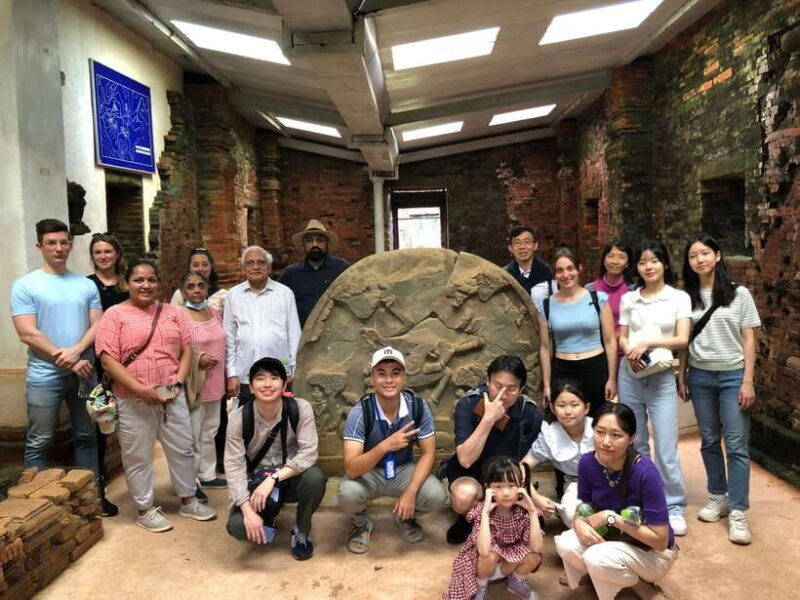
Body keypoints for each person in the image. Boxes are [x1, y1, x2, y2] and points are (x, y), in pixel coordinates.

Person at [95, 258, 217, 532]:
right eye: (138, 280)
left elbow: (186, 349)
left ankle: (188, 500)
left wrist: (179, 381)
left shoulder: (173, 312)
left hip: (171, 395)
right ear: (126, 283)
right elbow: (107, 359)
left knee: (183, 449)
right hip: (133, 398)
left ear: (159, 284)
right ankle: (145, 508)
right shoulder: (114, 315)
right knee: (138, 456)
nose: (145, 285)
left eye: (151, 280)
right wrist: (140, 389)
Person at [678, 233, 761, 545]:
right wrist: (682, 374)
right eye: (693, 256)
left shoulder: (739, 294)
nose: (699, 260)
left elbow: (750, 338)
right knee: (710, 440)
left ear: (718, 255)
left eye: (705, 253)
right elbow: (685, 340)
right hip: (700, 376)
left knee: (736, 443)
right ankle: (718, 496)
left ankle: (739, 510)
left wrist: (748, 380)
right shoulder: (686, 297)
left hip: (732, 375)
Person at [555, 403, 678, 600]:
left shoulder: (646, 472)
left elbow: (660, 541)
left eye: (616, 435)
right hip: (611, 539)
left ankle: (640, 586)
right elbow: (583, 507)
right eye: (600, 432)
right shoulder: (587, 462)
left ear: (631, 438)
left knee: (596, 558)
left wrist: (610, 518)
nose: (606, 442)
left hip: (651, 551)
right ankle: (599, 572)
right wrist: (579, 522)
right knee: (566, 543)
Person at [10, 219, 100, 478]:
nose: (59, 248)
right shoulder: (25, 285)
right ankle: (34, 495)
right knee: (40, 440)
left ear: (70, 245)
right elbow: (27, 333)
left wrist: (78, 350)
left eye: (64, 242)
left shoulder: (86, 285)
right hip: (45, 374)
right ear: (39, 246)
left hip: (84, 372)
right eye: (51, 243)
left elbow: (98, 324)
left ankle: (91, 493)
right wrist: (71, 358)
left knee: (87, 435)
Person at [338, 347, 448, 554]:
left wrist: (411, 492)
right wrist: (385, 446)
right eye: (381, 373)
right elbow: (352, 469)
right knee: (347, 492)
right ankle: (362, 524)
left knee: (436, 495)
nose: (389, 380)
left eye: (395, 373)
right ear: (372, 378)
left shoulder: (417, 407)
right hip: (369, 473)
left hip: (403, 469)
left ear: (404, 378)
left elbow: (429, 453)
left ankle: (406, 516)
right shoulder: (360, 412)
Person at [618, 240, 690, 535]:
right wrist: (630, 351)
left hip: (660, 376)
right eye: (642, 262)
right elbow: (622, 336)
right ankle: (644, 500)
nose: (648, 266)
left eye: (654, 261)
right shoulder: (629, 299)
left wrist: (648, 343)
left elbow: (682, 339)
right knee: (635, 443)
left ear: (665, 264)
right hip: (630, 373)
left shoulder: (678, 298)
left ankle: (674, 506)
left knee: (666, 444)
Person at [224, 357, 326, 560]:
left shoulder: (300, 408)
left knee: (314, 478)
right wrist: (247, 510)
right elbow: (234, 466)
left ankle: (301, 530)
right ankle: (266, 514)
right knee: (238, 527)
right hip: (256, 482)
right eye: (260, 378)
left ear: (284, 384)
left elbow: (309, 453)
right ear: (251, 387)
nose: (267, 384)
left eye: (274, 377)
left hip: (288, 478)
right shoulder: (239, 418)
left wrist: (274, 478)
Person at [440, 355, 543, 545]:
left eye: (511, 388)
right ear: (487, 381)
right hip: (470, 472)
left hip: (505, 476)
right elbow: (465, 460)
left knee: (536, 514)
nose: (503, 394)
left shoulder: (529, 413)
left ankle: (492, 517)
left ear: (521, 389)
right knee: (464, 496)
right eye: (498, 386)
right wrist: (488, 419)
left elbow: (524, 462)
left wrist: (521, 490)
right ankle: (471, 518)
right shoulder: (468, 403)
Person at [443, 456, 543, 600]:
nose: (506, 493)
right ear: (488, 488)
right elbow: (483, 551)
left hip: (508, 564)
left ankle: (516, 580)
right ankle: (481, 585)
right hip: (483, 565)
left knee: (535, 556)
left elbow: (537, 548)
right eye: (498, 486)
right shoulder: (481, 511)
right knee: (490, 554)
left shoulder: (524, 511)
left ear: (520, 486)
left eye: (511, 485)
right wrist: (485, 513)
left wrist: (532, 511)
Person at [534, 247, 618, 420]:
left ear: (579, 268)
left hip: (595, 368)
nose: (566, 275)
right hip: (563, 369)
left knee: (598, 420)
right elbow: (545, 348)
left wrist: (611, 378)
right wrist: (547, 385)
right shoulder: (546, 306)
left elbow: (610, 341)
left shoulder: (598, 299)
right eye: (560, 270)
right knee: (564, 420)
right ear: (554, 275)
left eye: (570, 268)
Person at [87, 232, 130, 517]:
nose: (103, 256)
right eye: (97, 252)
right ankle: (98, 491)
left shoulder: (129, 284)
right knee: (98, 427)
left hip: (129, 363)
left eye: (107, 251)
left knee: (132, 424)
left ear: (117, 254)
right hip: (96, 364)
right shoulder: (86, 285)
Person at [224, 246, 301, 402]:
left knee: (280, 415)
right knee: (248, 416)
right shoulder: (233, 295)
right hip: (245, 375)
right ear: (243, 269)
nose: (256, 267)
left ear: (269, 268)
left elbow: (294, 335)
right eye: (250, 263)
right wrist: (231, 374)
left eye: (261, 262)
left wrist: (294, 371)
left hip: (279, 374)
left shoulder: (285, 293)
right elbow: (229, 338)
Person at [177, 272, 227, 500]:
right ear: (183, 291)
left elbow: (225, 342)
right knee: (193, 434)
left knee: (210, 431)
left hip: (215, 382)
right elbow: (175, 347)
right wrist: (198, 357)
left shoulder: (214, 313)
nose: (196, 290)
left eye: (200, 285)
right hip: (194, 384)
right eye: (190, 286)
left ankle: (207, 474)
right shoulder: (179, 315)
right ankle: (191, 481)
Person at [522, 379, 594, 528]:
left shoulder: (598, 428)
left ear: (586, 408)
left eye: (574, 405)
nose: (568, 411)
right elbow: (522, 468)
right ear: (553, 408)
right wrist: (536, 497)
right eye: (561, 405)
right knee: (571, 516)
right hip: (576, 484)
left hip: (608, 481)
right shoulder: (550, 435)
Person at [278, 219, 349, 327]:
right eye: (309, 241)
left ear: (327, 243)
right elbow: (278, 301)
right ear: (303, 245)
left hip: (335, 331)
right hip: (301, 332)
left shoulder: (341, 268)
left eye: (320, 240)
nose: (315, 245)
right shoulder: (291, 273)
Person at [586, 239, 637, 352]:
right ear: (604, 260)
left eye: (621, 257)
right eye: (611, 256)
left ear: (627, 263)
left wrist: (611, 340)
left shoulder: (634, 291)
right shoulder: (590, 290)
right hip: (597, 352)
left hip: (627, 352)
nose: (615, 261)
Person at [170, 248, 228, 312]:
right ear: (189, 267)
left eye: (205, 265)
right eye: (195, 265)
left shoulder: (223, 295)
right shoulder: (180, 294)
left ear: (211, 266)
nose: (200, 269)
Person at [504, 226, 553, 295]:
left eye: (527, 242)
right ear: (510, 248)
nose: (522, 247)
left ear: (535, 245)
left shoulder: (547, 273)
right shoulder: (505, 275)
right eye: (517, 243)